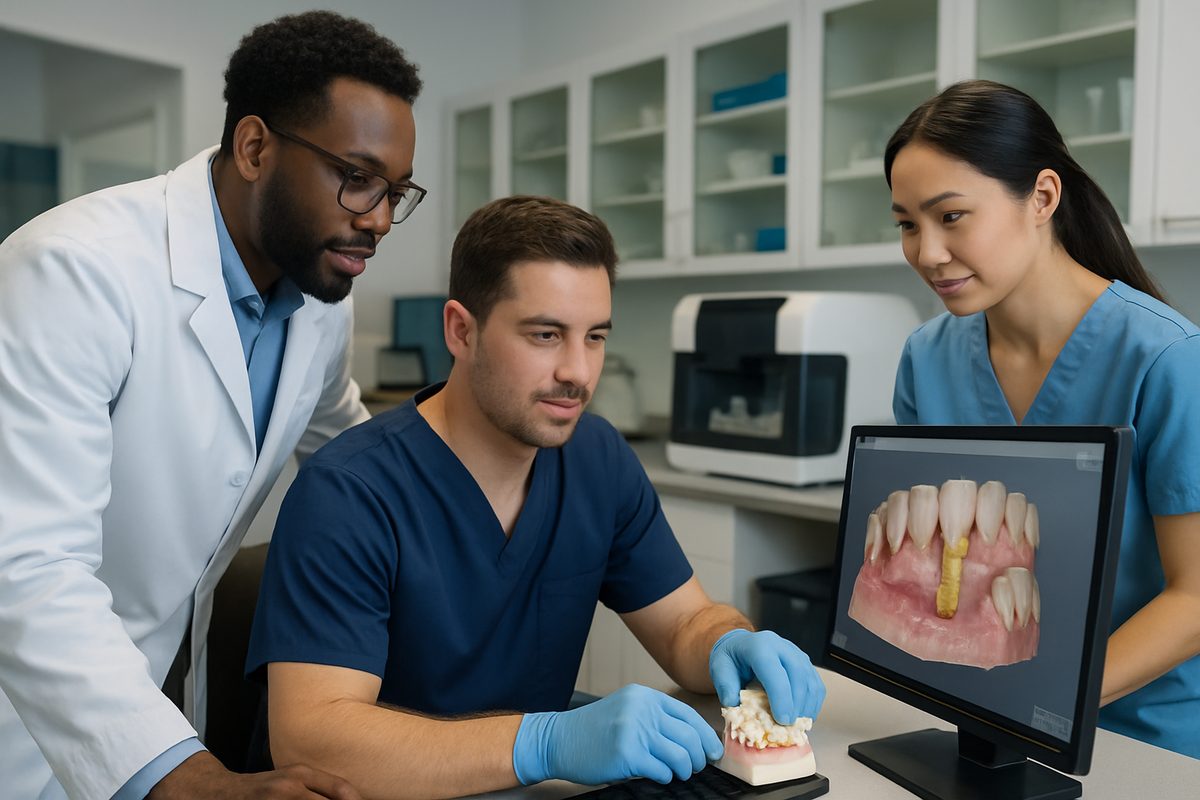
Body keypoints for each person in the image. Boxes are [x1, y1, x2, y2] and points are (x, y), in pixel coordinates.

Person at [245, 196, 827, 799]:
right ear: (460, 331)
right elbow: (313, 742)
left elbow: (684, 622)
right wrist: (545, 743)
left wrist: (727, 643)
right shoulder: (349, 492)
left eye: (595, 336)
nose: (578, 371)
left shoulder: (597, 459)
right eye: (546, 334)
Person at [0, 11, 425, 799]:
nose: (377, 219)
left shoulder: (321, 294)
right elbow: (26, 568)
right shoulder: (72, 270)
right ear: (256, 147)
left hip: (163, 693)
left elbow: (346, 446)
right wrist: (196, 780)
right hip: (25, 716)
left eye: (395, 192)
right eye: (357, 177)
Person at [886, 79, 1200, 757]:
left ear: (1043, 197)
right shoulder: (926, 359)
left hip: (1139, 737)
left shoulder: (1168, 360)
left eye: (952, 216)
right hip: (978, 717)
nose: (927, 252)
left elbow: (1196, 599)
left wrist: (1044, 704)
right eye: (907, 224)